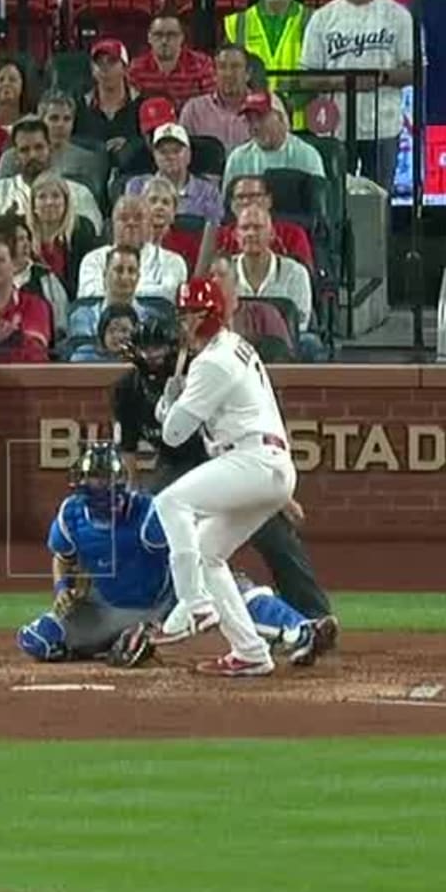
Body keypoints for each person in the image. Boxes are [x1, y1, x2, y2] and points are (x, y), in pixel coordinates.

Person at [20, 443, 326, 668]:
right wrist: (62, 589)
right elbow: (63, 556)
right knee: (38, 640)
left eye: (103, 479)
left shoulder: (149, 511)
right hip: (108, 608)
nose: (97, 486)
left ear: (119, 483)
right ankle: (120, 641)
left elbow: (193, 543)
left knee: (229, 585)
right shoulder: (71, 514)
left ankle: (300, 630)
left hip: (166, 603)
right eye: (92, 479)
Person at [131, 277, 300, 678]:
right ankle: (250, 650)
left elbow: (173, 434)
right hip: (264, 464)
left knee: (171, 502)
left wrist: (171, 400)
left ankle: (194, 602)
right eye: (184, 314)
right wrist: (172, 399)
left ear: (210, 316)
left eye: (192, 315)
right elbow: (175, 419)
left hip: (253, 459)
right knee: (207, 551)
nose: (185, 323)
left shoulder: (212, 362)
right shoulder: (227, 348)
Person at [301, 0, 414, 187]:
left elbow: (413, 72)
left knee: (379, 201)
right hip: (335, 128)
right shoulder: (322, 17)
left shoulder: (398, 15)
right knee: (336, 202)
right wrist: (342, 81)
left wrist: (379, 78)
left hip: (382, 126)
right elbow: (305, 78)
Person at [222, 0, 313, 129]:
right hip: (251, 123)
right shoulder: (237, 23)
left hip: (301, 124)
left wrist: (289, 106)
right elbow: (227, 75)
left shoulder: (313, 20)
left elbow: (321, 73)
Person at [0, 119, 105, 231]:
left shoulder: (79, 193)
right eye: (24, 150)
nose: (33, 155)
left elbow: (93, 232)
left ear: (50, 149)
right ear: (15, 156)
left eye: (39, 148)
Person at [225, 207, 317, 349]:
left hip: (284, 346)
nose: (250, 233)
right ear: (236, 236)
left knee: (309, 343)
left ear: (272, 234)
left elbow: (301, 323)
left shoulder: (295, 273)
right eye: (245, 228)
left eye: (257, 228)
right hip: (234, 344)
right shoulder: (224, 272)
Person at [0, 93, 110, 198]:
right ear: (40, 121)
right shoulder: (11, 157)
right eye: (54, 118)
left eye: (67, 119)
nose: (61, 125)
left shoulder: (87, 161)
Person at [79, 195, 189, 299]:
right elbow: (90, 296)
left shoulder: (173, 261)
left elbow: (168, 295)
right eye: (123, 218)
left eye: (138, 218)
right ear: (112, 225)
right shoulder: (93, 259)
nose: (131, 223)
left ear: (150, 225)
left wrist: (117, 293)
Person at [126, 123, 225, 224]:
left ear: (188, 154)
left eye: (176, 151)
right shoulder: (137, 186)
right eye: (163, 152)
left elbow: (214, 231)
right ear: (154, 156)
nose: (170, 157)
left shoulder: (208, 192)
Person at [221, 91, 324, 186]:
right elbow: (227, 204)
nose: (255, 126)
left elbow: (318, 202)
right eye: (250, 119)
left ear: (281, 118)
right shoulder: (237, 159)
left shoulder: (307, 156)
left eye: (260, 118)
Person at [76, 39, 145, 170]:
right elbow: (72, 141)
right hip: (90, 171)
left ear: (125, 68)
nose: (105, 69)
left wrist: (129, 146)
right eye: (99, 64)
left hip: (132, 172)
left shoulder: (142, 105)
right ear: (92, 70)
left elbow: (152, 143)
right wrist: (98, 148)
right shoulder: (81, 105)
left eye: (112, 62)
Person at [180, 46, 259, 152]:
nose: (228, 74)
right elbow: (180, 152)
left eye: (235, 67)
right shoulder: (194, 110)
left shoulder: (268, 106)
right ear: (214, 73)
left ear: (248, 74)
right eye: (222, 67)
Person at [131, 12, 215, 106]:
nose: (164, 41)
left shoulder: (202, 64)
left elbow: (211, 106)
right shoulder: (136, 68)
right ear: (149, 38)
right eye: (158, 35)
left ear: (182, 37)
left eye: (171, 35)